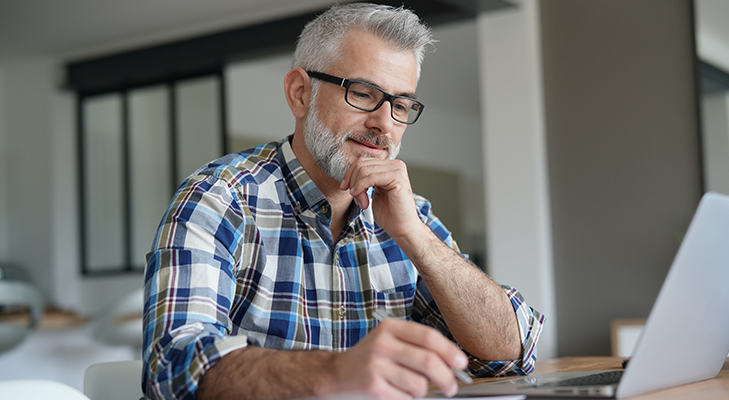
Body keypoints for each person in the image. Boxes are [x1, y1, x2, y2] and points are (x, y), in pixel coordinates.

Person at [142, 3, 544, 400]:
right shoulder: (219, 198)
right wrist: (336, 373)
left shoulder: (410, 214)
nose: (385, 123)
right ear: (300, 94)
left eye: (401, 105)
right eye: (364, 93)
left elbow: (511, 355)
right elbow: (172, 369)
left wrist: (415, 238)